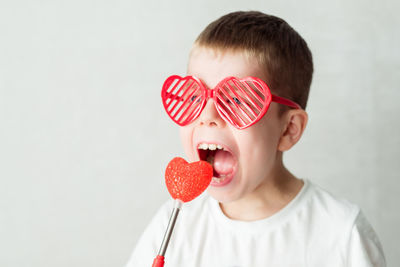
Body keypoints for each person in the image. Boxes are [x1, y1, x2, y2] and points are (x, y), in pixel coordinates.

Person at [125, 11, 386, 266]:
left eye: (237, 100)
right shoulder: (174, 227)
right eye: (194, 96)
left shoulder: (341, 235)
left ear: (288, 129)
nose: (207, 115)